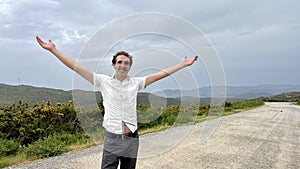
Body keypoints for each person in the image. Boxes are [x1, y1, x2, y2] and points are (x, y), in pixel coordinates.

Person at [36, 36, 198, 169]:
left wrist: (182, 65)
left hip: (132, 137)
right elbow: (76, 67)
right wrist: (54, 50)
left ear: (130, 66)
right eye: (119, 62)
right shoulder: (103, 81)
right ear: (114, 65)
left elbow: (160, 75)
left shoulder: (136, 83)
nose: (123, 65)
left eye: (126, 62)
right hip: (113, 137)